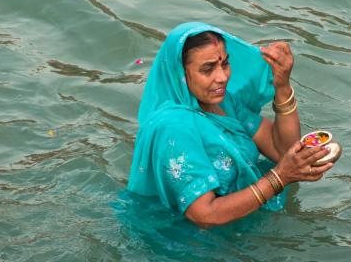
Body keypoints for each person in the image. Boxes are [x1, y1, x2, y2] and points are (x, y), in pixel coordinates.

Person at [128, 22, 334, 228]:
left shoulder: (223, 102)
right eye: (208, 69)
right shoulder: (173, 127)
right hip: (185, 241)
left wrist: (282, 86)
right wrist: (280, 177)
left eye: (225, 64)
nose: (222, 77)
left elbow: (281, 150)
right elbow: (204, 215)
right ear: (179, 74)